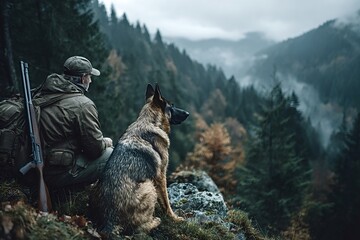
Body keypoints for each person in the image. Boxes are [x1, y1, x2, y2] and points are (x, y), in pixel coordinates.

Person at [35, 56, 113, 188]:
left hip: (36, 166)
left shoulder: (41, 92)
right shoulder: (83, 105)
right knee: (111, 155)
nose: (91, 80)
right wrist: (106, 142)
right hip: (55, 173)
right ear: (83, 78)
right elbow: (95, 150)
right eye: (89, 76)